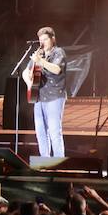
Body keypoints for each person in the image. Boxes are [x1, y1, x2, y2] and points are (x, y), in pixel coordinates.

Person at [30, 26, 69, 158]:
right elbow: (25, 72)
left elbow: (56, 69)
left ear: (52, 39)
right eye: (40, 40)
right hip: (39, 97)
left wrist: (40, 61)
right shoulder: (39, 54)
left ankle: (58, 162)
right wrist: (29, 82)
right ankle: (44, 161)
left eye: (45, 39)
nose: (42, 42)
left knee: (54, 131)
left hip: (55, 96)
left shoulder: (59, 52)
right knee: (40, 132)